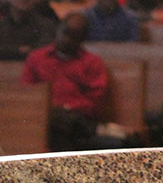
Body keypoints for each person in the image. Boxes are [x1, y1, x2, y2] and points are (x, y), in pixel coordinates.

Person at [21, 12, 110, 151]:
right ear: (58, 30)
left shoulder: (92, 63)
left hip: (76, 119)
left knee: (63, 124)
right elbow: (27, 91)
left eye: (73, 36)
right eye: (64, 33)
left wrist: (68, 108)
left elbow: (95, 102)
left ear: (82, 39)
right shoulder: (37, 58)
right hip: (42, 115)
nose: (66, 39)